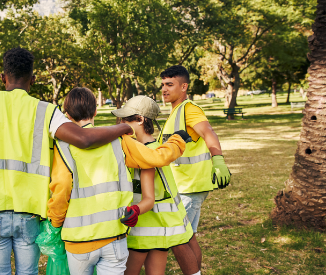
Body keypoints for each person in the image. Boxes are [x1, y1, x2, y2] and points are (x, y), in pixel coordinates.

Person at [0, 47, 135, 275]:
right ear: (33, 79)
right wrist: (124, 126)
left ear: (3, 77)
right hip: (29, 213)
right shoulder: (46, 111)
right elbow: (84, 138)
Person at [48, 88, 188, 275]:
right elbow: (156, 158)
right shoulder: (118, 140)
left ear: (67, 114)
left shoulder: (62, 145)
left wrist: (55, 222)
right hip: (114, 236)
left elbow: (62, 187)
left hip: (78, 240)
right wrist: (178, 140)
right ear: (95, 111)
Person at [112, 96, 201, 275]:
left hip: (142, 229)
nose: (121, 124)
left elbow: (148, 198)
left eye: (125, 119)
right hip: (162, 231)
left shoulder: (145, 154)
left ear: (140, 120)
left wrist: (135, 211)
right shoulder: (155, 148)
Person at [160, 65, 232, 270]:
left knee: (181, 239)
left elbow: (208, 133)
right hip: (182, 185)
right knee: (185, 237)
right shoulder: (175, 112)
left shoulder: (189, 109)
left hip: (190, 186)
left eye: (170, 84)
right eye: (163, 84)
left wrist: (218, 160)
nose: (164, 89)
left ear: (184, 87)